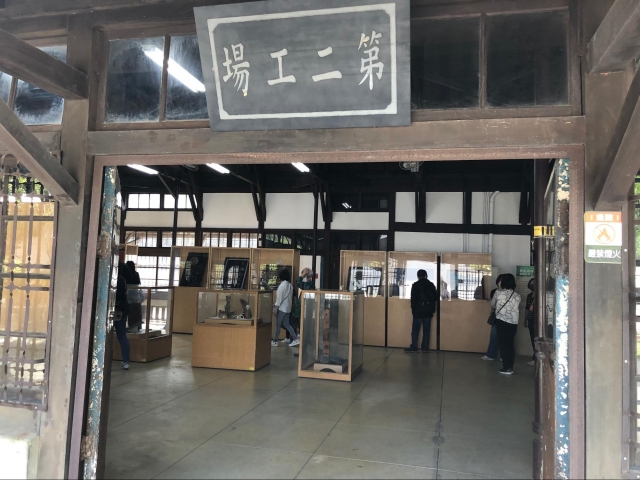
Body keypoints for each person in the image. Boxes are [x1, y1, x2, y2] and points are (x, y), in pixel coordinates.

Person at [491, 273, 521, 375]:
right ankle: (510, 366)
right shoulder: (517, 295)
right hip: (513, 322)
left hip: (502, 321)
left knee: (503, 344)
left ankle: (506, 367)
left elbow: (492, 304)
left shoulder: (498, 293)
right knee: (510, 344)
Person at [405, 269, 438, 353]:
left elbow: (413, 299)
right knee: (426, 331)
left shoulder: (415, 285)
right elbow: (435, 297)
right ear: (426, 275)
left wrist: (413, 310)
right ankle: (425, 348)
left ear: (418, 276)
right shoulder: (431, 285)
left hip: (418, 311)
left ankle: (414, 347)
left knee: (415, 330)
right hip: (428, 312)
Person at [272, 269, 299, 347]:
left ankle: (275, 341)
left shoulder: (282, 286)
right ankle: (295, 338)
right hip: (288, 308)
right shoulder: (290, 285)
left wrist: (276, 308)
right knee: (287, 324)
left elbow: (279, 298)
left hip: (281, 308)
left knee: (278, 325)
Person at [481, 274, 504, 361]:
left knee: (505, 337)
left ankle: (503, 355)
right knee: (494, 335)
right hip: (497, 316)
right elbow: (493, 304)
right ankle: (491, 354)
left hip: (507, 317)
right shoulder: (494, 291)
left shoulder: (511, 292)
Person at [115, 263, 131, 370]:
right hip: (122, 310)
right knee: (122, 336)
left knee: (119, 336)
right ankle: (125, 361)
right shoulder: (122, 279)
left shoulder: (116, 279)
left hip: (116, 310)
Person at [125, 260, 143, 332]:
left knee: (126, 314)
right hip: (136, 297)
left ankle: (126, 328)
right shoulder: (136, 274)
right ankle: (136, 328)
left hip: (127, 297)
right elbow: (139, 285)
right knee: (135, 315)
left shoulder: (125, 275)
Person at [525, 278, 536, 366]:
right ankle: (535, 357)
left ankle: (536, 358)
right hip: (531, 320)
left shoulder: (541, 295)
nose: (532, 285)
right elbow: (527, 309)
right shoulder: (529, 296)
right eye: (531, 283)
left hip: (538, 320)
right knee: (532, 339)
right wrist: (525, 320)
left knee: (537, 340)